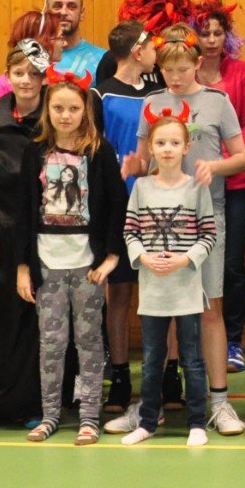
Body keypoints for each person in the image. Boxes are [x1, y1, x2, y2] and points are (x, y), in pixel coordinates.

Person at [126, 33, 245, 437]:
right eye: (168, 70)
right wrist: (133, 166)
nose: (176, 77)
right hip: (160, 221)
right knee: (162, 313)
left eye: (183, 69)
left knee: (209, 309)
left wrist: (214, 167)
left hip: (204, 217)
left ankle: (219, 402)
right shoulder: (151, 103)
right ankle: (156, 403)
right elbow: (143, 160)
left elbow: (241, 157)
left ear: (198, 64)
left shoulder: (217, 101)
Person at [13, 72, 126, 445]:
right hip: (47, 263)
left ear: (85, 111)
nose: (65, 115)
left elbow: (117, 205)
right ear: (47, 109)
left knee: (89, 340)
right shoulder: (34, 151)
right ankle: (49, 415)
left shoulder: (99, 151)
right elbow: (24, 210)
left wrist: (111, 257)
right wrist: (23, 267)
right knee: (51, 341)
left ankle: (90, 416)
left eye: (73, 108)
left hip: (87, 265)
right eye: (58, 108)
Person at [120, 115, 220, 446]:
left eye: (175, 143)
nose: (167, 149)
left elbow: (208, 234)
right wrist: (144, 257)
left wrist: (185, 259)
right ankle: (148, 422)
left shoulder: (197, 187)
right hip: (153, 292)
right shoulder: (141, 188)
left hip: (186, 289)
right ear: (150, 147)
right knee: (151, 359)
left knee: (192, 359)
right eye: (160, 143)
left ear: (186, 147)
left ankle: (197, 423)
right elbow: (130, 232)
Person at [89, 21, 164, 414]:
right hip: (118, 205)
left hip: (157, 205)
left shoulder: (159, 93)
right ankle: (119, 375)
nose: (156, 52)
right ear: (137, 50)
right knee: (118, 293)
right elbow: (94, 152)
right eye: (151, 46)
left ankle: (164, 374)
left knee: (160, 293)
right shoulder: (99, 94)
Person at [187, 0, 245, 373]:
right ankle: (195, 342)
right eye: (205, 33)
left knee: (231, 265)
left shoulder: (242, 73)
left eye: (218, 33)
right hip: (192, 186)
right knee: (192, 263)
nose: (212, 40)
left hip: (234, 184)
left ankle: (232, 341)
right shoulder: (185, 75)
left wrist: (227, 160)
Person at [0, 47, 50, 426]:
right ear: (7, 75)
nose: (26, 80)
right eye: (19, 72)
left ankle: (35, 404)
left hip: (48, 228)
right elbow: (0, 177)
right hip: (3, 228)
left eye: (34, 73)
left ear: (45, 77)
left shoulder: (54, 114)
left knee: (38, 318)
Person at [46, 0, 107, 79]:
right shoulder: (33, 55)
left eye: (71, 7)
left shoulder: (102, 59)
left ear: (81, 13)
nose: (63, 12)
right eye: (57, 6)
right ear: (47, 12)